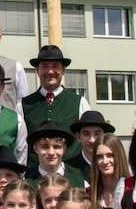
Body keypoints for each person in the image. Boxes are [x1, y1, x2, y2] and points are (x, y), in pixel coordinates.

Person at [21, 44, 89, 176]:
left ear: (63, 70)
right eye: (45, 66)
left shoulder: (79, 103)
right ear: (37, 70)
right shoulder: (24, 105)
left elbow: (88, 142)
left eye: (55, 66)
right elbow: (21, 147)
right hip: (35, 179)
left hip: (71, 179)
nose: (50, 71)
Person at [90, 134, 127, 209]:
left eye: (110, 155)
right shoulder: (89, 195)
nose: (105, 161)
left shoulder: (131, 190)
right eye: (99, 157)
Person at [67, 110, 115, 187]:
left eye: (97, 134)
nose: (92, 140)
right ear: (78, 137)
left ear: (105, 136)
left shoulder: (113, 166)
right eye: (86, 134)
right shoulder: (68, 169)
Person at [28, 120, 77, 184]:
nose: (51, 153)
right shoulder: (27, 185)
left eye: (56, 147)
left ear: (64, 148)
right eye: (45, 147)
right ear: (35, 148)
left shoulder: (81, 184)